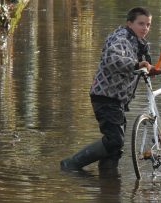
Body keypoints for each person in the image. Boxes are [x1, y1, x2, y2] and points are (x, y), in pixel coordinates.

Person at [60, 7, 153, 172]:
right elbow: (112, 59)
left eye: (148, 24)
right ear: (129, 23)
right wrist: (136, 64)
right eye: (141, 24)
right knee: (115, 140)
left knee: (115, 148)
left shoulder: (137, 43)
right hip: (106, 96)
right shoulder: (120, 38)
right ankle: (70, 164)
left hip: (117, 99)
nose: (145, 28)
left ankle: (108, 184)